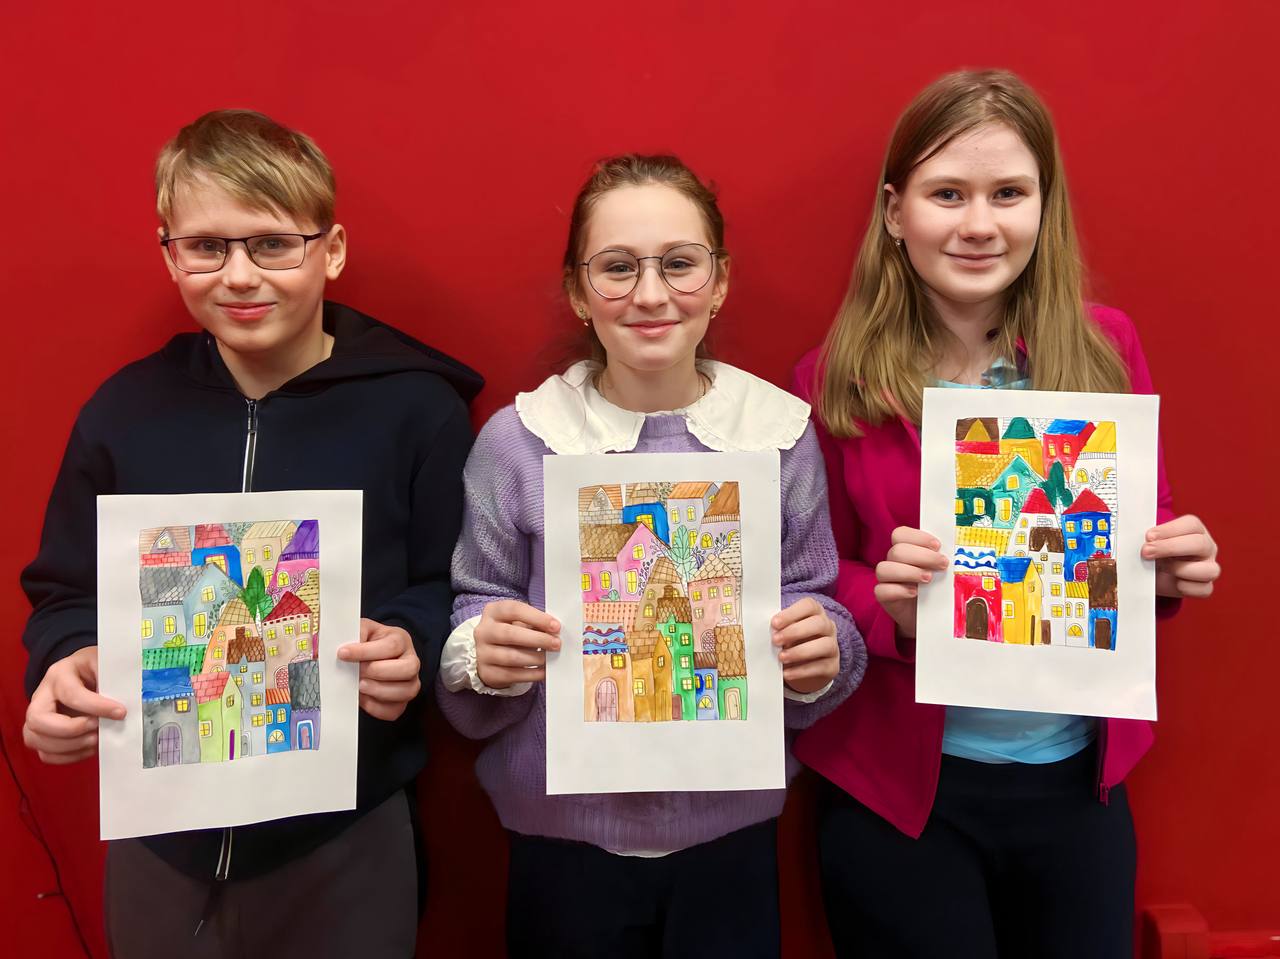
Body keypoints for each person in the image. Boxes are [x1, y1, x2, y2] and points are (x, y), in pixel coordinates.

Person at [20, 109, 481, 957]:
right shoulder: (124, 412)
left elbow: (448, 586)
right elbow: (65, 591)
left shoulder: (418, 410)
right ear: (169, 253)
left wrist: (411, 642)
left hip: (346, 831)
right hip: (162, 839)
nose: (239, 276)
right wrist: (63, 661)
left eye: (272, 244)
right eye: (206, 247)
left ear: (331, 250)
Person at [793, 70, 1221, 959]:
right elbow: (812, 574)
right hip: (900, 792)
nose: (979, 224)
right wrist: (889, 608)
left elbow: (1140, 529)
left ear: (1044, 207)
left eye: (1009, 194)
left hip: (1076, 781)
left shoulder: (1105, 347)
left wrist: (1169, 566)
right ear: (895, 211)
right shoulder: (832, 377)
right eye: (948, 194)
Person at [436, 153, 866, 958]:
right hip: (561, 837)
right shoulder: (520, 441)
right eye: (617, 268)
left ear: (720, 280)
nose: (650, 293)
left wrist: (822, 648)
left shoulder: (777, 434)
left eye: (679, 263)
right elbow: (475, 602)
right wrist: (483, 651)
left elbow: (814, 598)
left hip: (729, 837)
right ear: (578, 291)